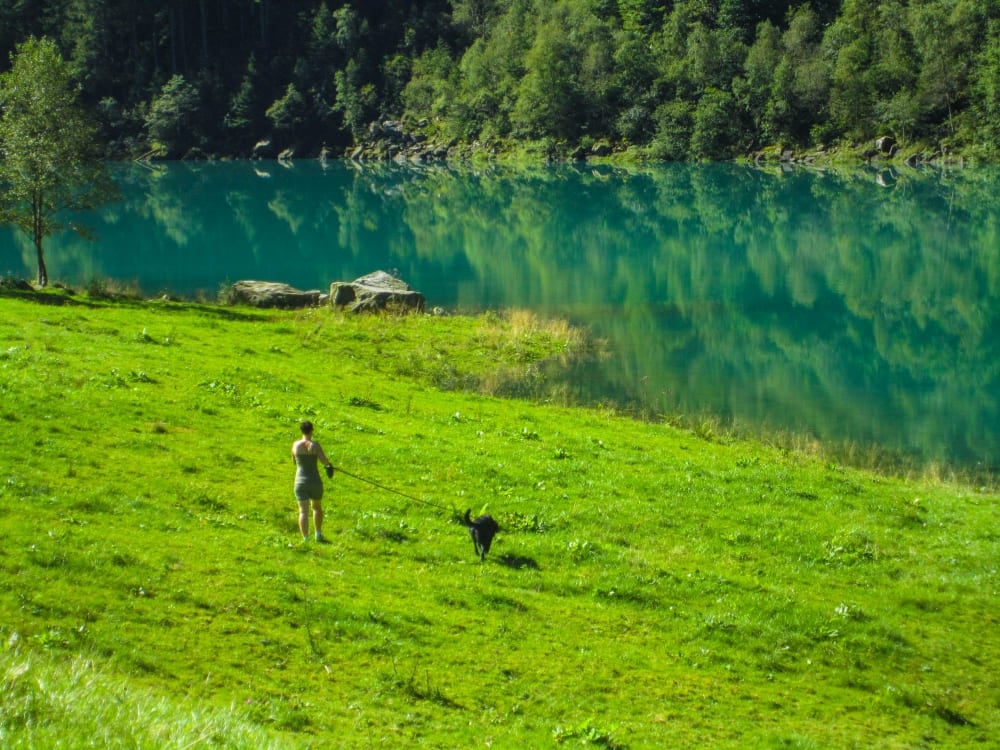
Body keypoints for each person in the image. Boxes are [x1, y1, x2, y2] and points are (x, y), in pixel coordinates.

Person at [291, 420, 334, 542]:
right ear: (312, 431)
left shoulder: (295, 445)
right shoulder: (315, 445)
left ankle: (305, 538)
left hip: (300, 482)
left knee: (303, 511)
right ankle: (318, 534)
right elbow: (324, 461)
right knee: (316, 508)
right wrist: (330, 466)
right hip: (315, 481)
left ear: (301, 431)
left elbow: (294, 461)